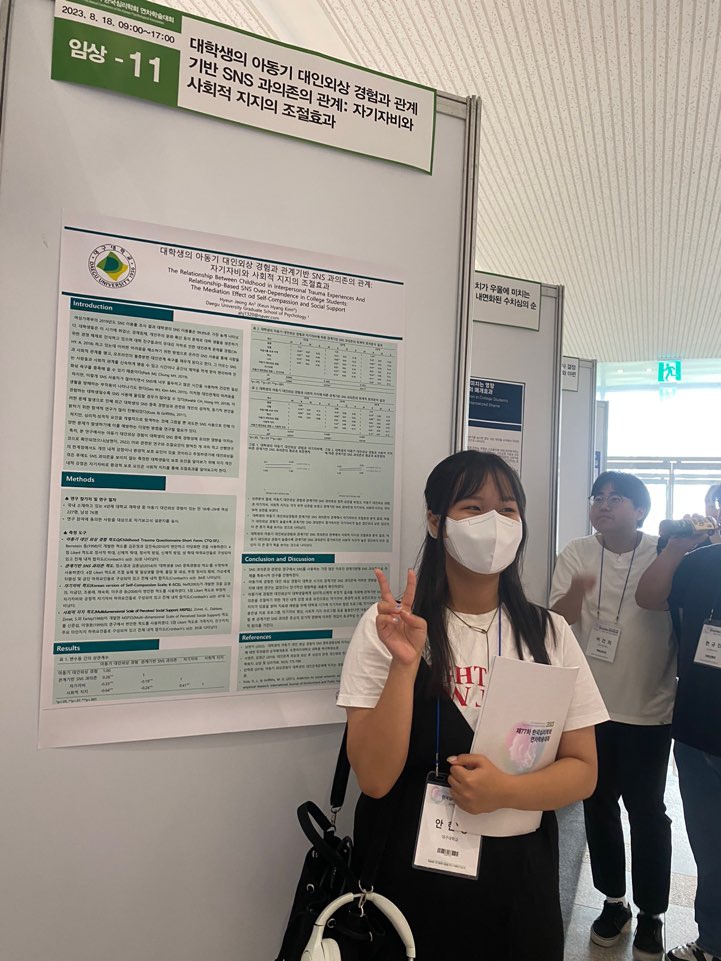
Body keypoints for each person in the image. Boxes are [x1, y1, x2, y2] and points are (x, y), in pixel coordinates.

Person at [337, 450, 608, 961]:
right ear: (435, 522)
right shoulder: (389, 629)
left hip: (519, 884)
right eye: (472, 508)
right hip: (409, 882)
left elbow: (584, 771)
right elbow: (373, 778)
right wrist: (404, 666)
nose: (494, 523)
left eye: (507, 509)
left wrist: (505, 790)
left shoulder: (549, 633)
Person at [549, 471, 676, 961]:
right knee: (598, 805)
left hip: (649, 708)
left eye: (616, 498)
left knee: (647, 813)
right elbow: (558, 618)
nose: (603, 504)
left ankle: (653, 913)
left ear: (640, 510)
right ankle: (613, 901)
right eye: (597, 497)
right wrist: (578, 591)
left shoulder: (665, 554)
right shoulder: (576, 552)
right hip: (589, 709)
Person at [636, 531, 721, 961]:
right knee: (710, 848)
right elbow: (649, 598)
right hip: (697, 729)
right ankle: (713, 942)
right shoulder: (702, 561)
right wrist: (674, 550)